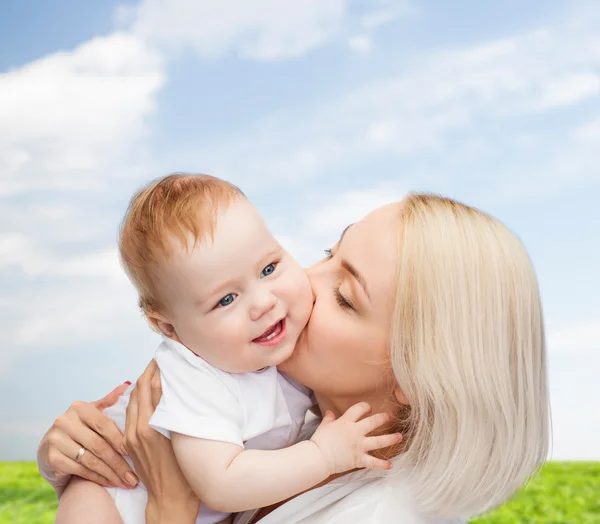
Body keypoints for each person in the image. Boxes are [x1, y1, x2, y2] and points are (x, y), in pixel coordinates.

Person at [38, 192, 550, 523]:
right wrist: (85, 455)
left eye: (346, 296)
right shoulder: (297, 422)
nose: (302, 281)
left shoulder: (380, 514)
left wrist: (170, 510)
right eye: (328, 253)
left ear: (417, 375)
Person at [46, 174, 400, 524]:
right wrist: (323, 454)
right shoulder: (194, 376)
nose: (263, 302)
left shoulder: (278, 360)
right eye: (226, 299)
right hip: (112, 493)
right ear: (170, 329)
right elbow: (223, 483)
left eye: (269, 268)